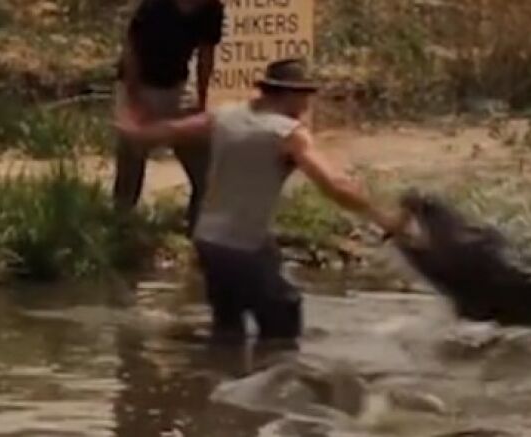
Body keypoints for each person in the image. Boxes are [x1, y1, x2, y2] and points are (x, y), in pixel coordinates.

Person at [115, 58, 414, 348]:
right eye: (305, 98)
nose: (307, 107)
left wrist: (130, 121)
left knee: (228, 328)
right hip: (240, 247)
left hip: (208, 242)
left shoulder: (225, 116)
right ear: (290, 95)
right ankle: (270, 383)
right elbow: (334, 185)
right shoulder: (287, 133)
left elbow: (164, 132)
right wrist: (384, 217)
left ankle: (215, 386)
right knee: (284, 316)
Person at [114, 0, 225, 234]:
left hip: (177, 86)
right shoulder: (155, 6)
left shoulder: (212, 9)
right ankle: (121, 229)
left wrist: (201, 101)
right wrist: (134, 99)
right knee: (131, 165)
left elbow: (206, 54)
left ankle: (199, 232)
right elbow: (132, 48)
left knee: (203, 168)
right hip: (139, 83)